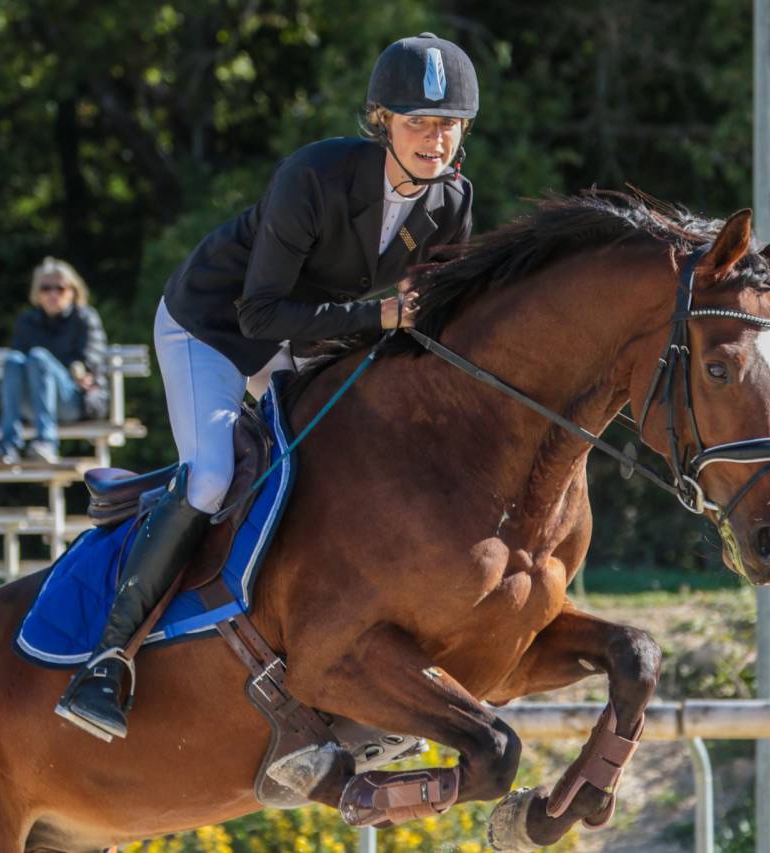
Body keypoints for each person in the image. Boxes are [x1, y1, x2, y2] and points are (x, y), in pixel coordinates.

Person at [56, 33, 479, 740]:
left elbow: (436, 316)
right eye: (417, 123)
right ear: (382, 122)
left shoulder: (452, 201)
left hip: (305, 335)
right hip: (213, 326)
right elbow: (261, 312)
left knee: (341, 463)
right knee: (215, 475)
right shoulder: (312, 177)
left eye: (446, 125)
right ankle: (106, 659)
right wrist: (379, 314)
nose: (433, 141)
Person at [0, 257, 109, 464]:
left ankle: (47, 443)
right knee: (14, 361)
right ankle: (8, 445)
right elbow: (18, 368)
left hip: (73, 399)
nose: (52, 294)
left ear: (72, 291)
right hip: (34, 403)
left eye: (59, 288)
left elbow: (92, 357)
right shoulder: (27, 321)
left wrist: (80, 371)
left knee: (38, 358)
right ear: (37, 292)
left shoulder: (85, 318)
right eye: (45, 288)